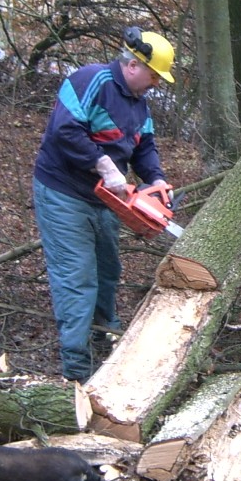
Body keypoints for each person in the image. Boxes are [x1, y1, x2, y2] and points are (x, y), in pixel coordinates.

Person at [32, 27, 175, 382]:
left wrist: (156, 179)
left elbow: (144, 146)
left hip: (107, 198)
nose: (156, 83)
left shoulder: (139, 103)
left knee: (107, 270)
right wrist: (104, 164)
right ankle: (76, 370)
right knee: (77, 277)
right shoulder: (89, 80)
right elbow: (65, 131)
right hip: (64, 192)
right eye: (154, 75)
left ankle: (104, 339)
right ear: (133, 65)